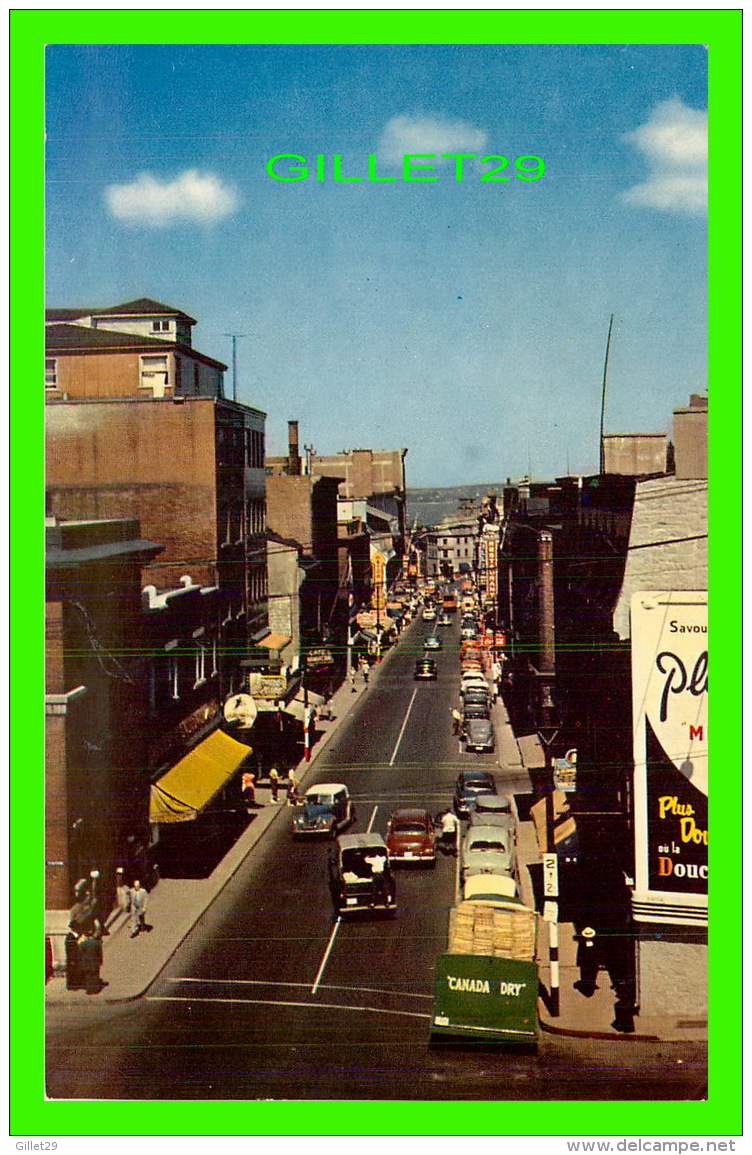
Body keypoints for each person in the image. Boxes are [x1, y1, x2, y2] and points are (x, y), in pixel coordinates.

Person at [77, 929, 105, 994]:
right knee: (95, 975)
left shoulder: (82, 944)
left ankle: (89, 990)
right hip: (95, 962)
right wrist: (100, 961)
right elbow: (100, 954)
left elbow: (80, 953)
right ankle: (96, 989)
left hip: (86, 963)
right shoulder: (97, 943)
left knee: (88, 976)